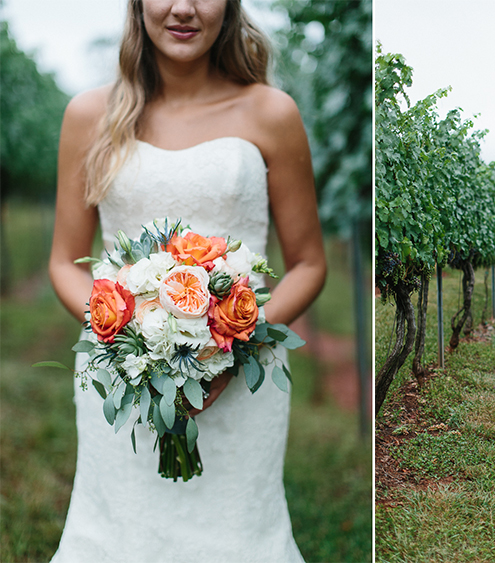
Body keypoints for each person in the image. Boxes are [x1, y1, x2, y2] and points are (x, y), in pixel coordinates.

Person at [48, 0, 326, 560]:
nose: (182, 8)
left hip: (244, 375)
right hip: (121, 371)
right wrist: (131, 344)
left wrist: (234, 347)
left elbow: (309, 263)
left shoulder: (271, 112)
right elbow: (63, 261)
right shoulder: (88, 114)